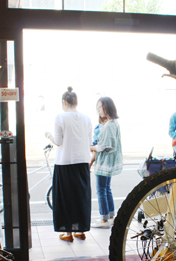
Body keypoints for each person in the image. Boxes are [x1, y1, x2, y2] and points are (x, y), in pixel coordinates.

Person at [45, 87, 93, 242]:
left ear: (64, 102)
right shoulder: (86, 118)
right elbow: (89, 142)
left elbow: (58, 142)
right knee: (80, 198)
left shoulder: (60, 117)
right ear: (76, 102)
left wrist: (49, 136)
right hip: (82, 163)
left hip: (64, 163)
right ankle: (81, 231)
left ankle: (68, 233)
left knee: (65, 199)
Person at [90, 97, 123, 228]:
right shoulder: (114, 123)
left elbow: (102, 146)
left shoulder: (109, 125)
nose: (98, 110)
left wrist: (89, 147)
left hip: (104, 163)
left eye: (100, 107)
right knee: (106, 189)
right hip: (108, 163)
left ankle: (104, 220)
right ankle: (110, 216)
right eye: (97, 108)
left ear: (107, 107)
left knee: (101, 190)